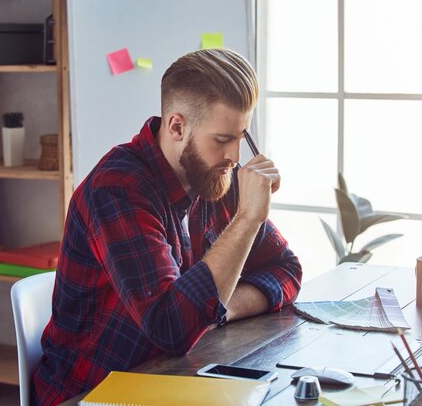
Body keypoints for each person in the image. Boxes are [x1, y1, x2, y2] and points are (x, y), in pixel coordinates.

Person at [31, 48, 303, 406]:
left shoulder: (216, 176)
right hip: (92, 391)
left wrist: (218, 310)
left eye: (242, 136)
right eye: (223, 139)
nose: (236, 157)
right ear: (177, 126)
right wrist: (248, 218)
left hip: (178, 378)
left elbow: (287, 270)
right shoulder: (118, 188)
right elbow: (171, 328)